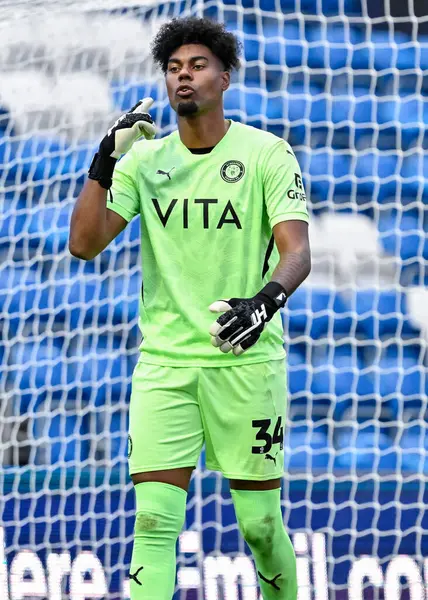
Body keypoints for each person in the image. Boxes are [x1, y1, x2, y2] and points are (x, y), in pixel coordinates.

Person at [69, 16, 311, 600]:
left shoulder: (266, 153)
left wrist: (264, 302)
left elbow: (297, 252)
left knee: (258, 527)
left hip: (245, 364)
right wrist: (105, 159)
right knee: (152, 524)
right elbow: (84, 243)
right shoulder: (145, 161)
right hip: (165, 366)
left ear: (224, 78)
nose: (184, 76)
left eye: (197, 65)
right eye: (174, 68)